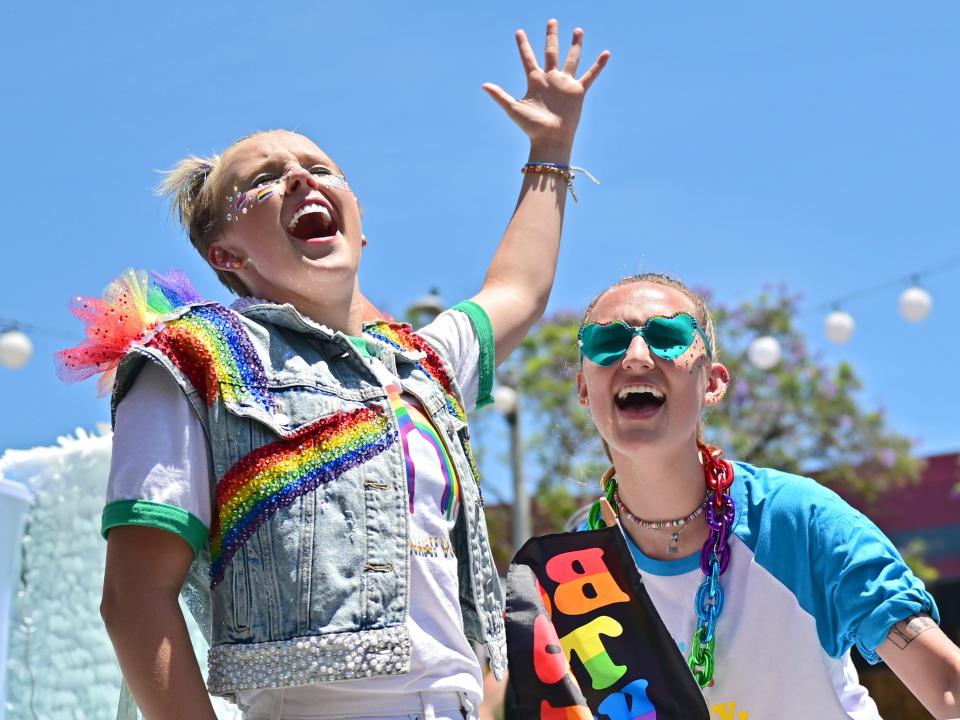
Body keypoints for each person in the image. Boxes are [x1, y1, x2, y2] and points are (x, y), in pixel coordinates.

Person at [56, 21, 609, 720]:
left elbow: (517, 291)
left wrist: (551, 149)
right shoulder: (193, 359)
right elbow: (134, 598)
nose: (298, 177)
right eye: (261, 180)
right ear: (224, 255)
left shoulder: (421, 367)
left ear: (359, 220)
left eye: (318, 168)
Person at [573, 272, 960, 719]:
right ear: (585, 388)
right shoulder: (574, 576)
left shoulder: (798, 518)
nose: (637, 357)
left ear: (713, 384)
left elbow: (948, 686)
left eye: (668, 336)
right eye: (607, 342)